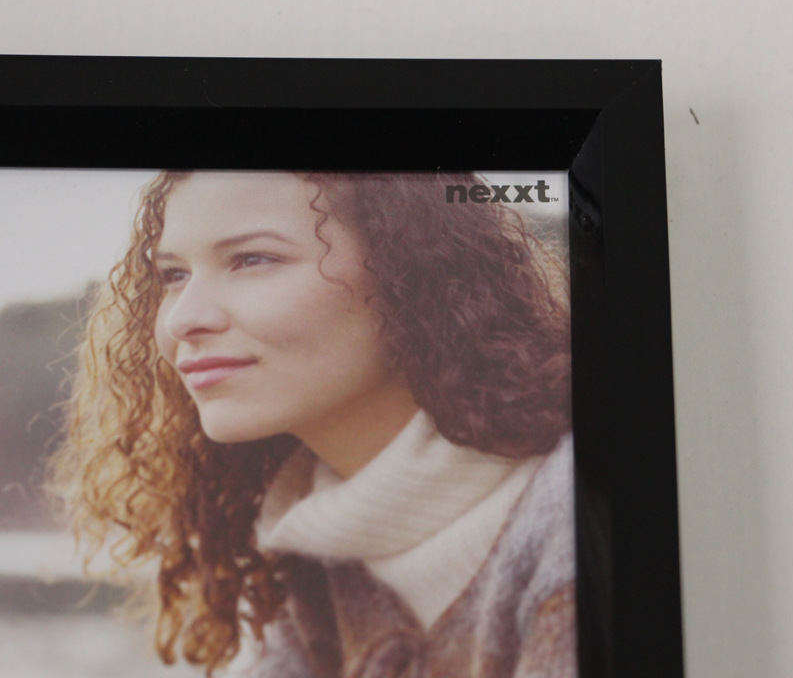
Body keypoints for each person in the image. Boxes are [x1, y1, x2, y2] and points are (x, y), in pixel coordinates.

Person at [48, 170, 575, 678]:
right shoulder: (311, 552)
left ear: (412, 269)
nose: (182, 319)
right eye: (173, 275)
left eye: (252, 259)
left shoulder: (573, 516)